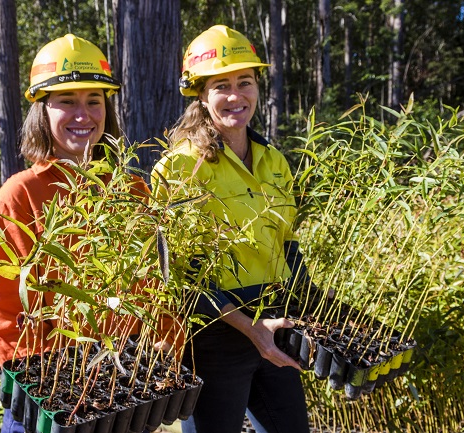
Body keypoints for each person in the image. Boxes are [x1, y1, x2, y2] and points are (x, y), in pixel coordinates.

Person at [151, 25, 312, 433]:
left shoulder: (273, 159)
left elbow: (287, 243)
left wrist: (308, 306)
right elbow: (182, 276)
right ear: (201, 96)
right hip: (216, 332)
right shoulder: (181, 167)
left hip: (275, 319)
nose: (236, 96)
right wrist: (249, 328)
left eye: (245, 82)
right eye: (221, 86)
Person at [0, 34, 148, 433]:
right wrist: (46, 390)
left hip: (123, 382)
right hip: (52, 391)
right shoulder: (20, 194)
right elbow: (9, 310)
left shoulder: (133, 190)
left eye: (94, 101)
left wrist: (157, 355)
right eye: (67, 102)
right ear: (42, 111)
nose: (84, 115)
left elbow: (149, 288)